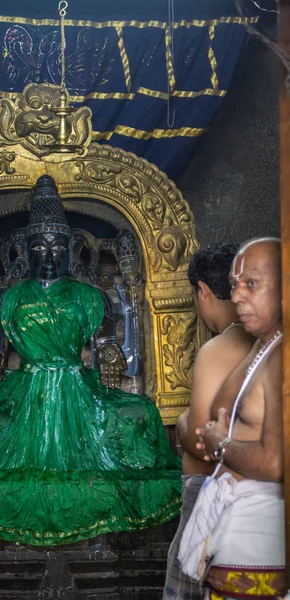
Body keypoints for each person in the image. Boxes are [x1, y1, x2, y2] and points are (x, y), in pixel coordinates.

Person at [0, 175, 182, 546]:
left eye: (57, 246)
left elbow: (106, 346)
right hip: (24, 392)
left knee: (141, 412)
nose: (49, 255)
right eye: (39, 248)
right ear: (26, 252)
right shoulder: (5, 299)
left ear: (71, 250)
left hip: (78, 387)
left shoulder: (91, 297)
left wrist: (110, 354)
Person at [178, 237, 286, 600]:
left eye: (250, 284)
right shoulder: (263, 346)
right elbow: (215, 416)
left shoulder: (280, 358)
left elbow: (273, 462)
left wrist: (217, 442)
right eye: (235, 284)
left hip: (259, 541)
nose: (236, 296)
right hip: (232, 539)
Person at [163, 243, 254, 600]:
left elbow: (200, 443)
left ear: (202, 291)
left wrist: (185, 420)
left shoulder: (218, 349)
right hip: (249, 491)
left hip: (208, 487)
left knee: (188, 579)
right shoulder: (266, 344)